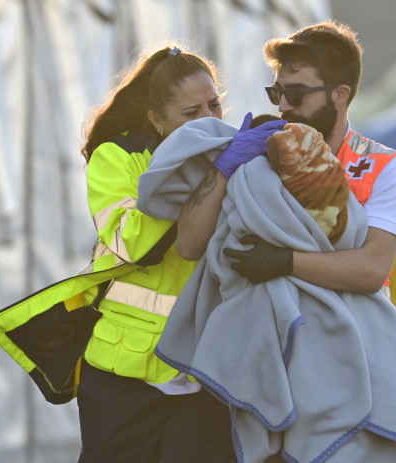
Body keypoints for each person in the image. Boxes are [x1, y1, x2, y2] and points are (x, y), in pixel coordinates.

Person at [75, 45, 282, 463]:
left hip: (206, 367)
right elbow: (131, 244)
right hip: (125, 372)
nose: (208, 119)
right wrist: (202, 177)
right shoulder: (117, 156)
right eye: (191, 113)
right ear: (156, 120)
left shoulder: (234, 157)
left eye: (214, 103)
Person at [178, 20, 396, 299]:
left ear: (340, 95)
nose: (283, 106)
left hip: (351, 335)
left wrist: (286, 261)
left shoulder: (384, 165)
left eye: (296, 94)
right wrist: (223, 167)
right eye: (277, 92)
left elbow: (372, 270)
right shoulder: (259, 151)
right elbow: (189, 247)